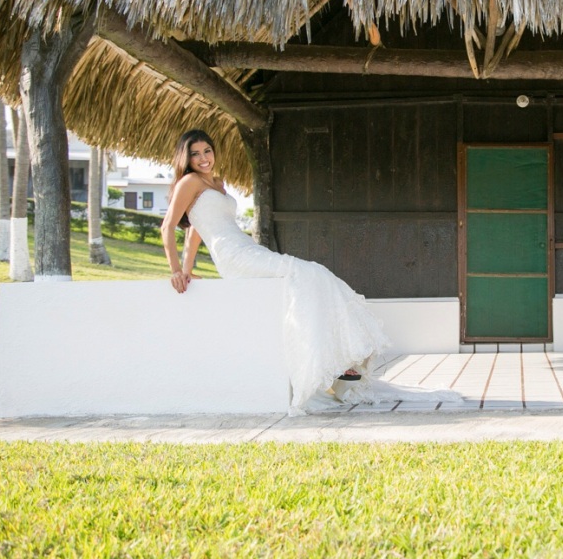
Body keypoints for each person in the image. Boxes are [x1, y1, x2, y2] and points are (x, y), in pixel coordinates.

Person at [161, 129, 458, 414]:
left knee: (312, 277)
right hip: (234, 255)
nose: (203, 158)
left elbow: (197, 230)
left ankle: (341, 360)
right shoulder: (189, 182)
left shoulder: (217, 183)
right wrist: (178, 271)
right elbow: (169, 226)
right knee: (309, 273)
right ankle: (337, 362)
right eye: (195, 154)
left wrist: (189, 268)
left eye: (207, 151)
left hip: (247, 248)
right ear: (185, 159)